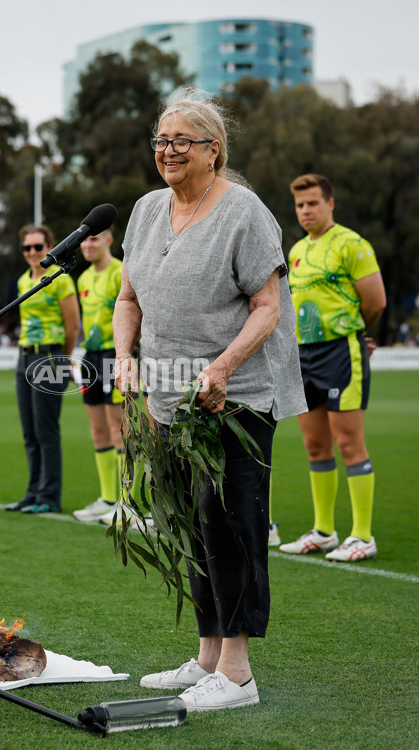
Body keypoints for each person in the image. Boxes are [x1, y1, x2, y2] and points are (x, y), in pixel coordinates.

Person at [112, 88, 306, 712]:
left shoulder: (244, 212)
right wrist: (124, 359)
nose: (167, 151)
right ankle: (206, 657)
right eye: (161, 141)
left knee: (232, 528)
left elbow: (267, 307)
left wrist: (222, 368)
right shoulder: (146, 211)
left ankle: (238, 674)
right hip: (167, 399)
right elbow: (127, 300)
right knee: (192, 526)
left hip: (235, 399)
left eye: (180, 141)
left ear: (213, 151)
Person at [279, 174, 386, 561]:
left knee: (348, 443)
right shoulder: (295, 250)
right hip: (302, 356)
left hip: (341, 352)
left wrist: (353, 334)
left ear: (330, 204)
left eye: (312, 203)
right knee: (315, 444)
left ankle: (362, 535)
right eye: (300, 205)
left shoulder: (352, 244)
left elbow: (375, 301)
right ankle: (324, 531)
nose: (305, 211)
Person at [5, 224, 80, 514]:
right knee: (29, 432)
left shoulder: (60, 279)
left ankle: (49, 496)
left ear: (49, 247)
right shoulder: (24, 281)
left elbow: (72, 325)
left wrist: (65, 358)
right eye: (27, 248)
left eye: (38, 246)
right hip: (23, 358)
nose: (33, 252)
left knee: (46, 430)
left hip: (50, 357)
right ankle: (32, 493)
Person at [72, 228, 125, 522]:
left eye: (94, 238)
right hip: (89, 358)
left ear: (109, 240)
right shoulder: (82, 279)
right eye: (85, 239)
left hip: (113, 355)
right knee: (97, 430)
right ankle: (107, 498)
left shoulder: (120, 272)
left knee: (119, 430)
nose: (87, 244)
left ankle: (127, 501)